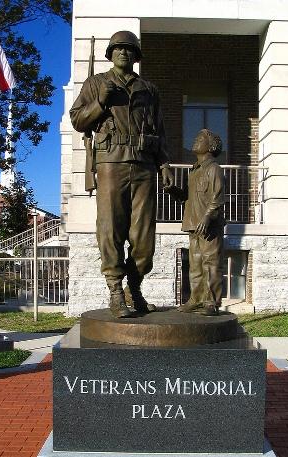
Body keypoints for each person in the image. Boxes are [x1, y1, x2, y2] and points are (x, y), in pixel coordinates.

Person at [70, 31, 171, 318]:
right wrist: (100, 102)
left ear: (136, 56)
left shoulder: (149, 89)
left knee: (144, 239)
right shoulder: (97, 83)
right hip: (111, 164)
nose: (124, 53)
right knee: (110, 229)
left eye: (129, 49)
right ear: (110, 53)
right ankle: (116, 291)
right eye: (118, 49)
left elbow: (160, 131)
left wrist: (164, 165)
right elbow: (77, 120)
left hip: (144, 166)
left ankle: (134, 288)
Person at [164, 129, 225, 316]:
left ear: (210, 146)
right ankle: (196, 299)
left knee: (211, 263)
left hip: (209, 226)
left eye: (200, 139)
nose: (195, 141)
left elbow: (218, 197)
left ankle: (211, 302)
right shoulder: (194, 170)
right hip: (193, 223)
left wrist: (207, 217)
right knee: (195, 264)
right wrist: (174, 190)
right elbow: (188, 197)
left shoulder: (214, 169)